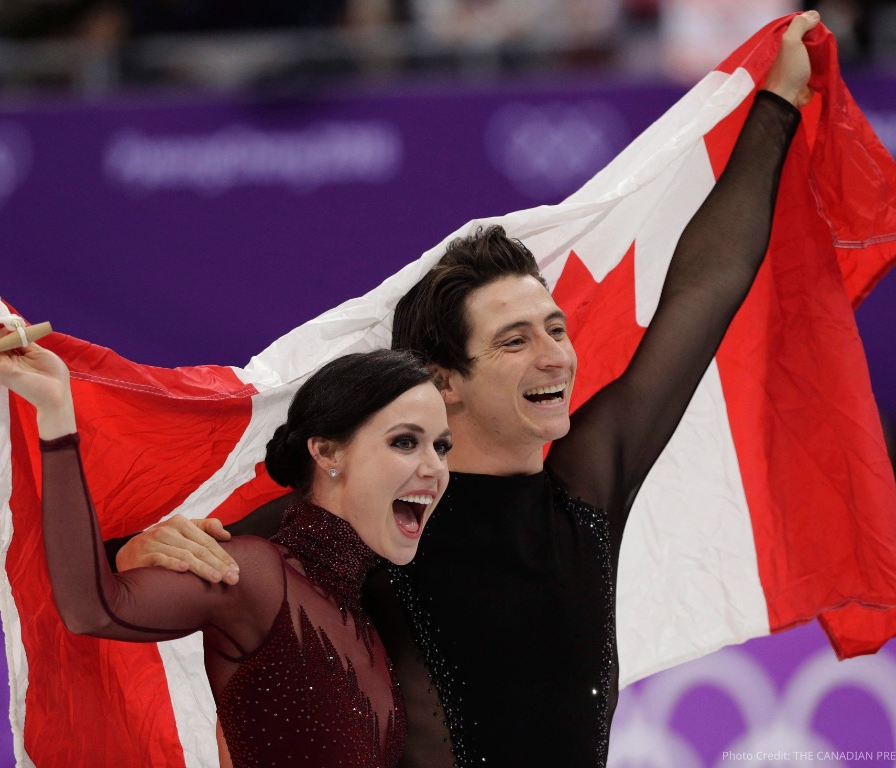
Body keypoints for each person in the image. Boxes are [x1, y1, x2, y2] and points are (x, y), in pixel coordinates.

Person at [110, 11, 821, 766]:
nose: (554, 357)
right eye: (514, 341)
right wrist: (139, 551)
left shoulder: (588, 482)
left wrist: (775, 105)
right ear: (442, 382)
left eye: (555, 328)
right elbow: (147, 577)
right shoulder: (367, 505)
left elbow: (703, 293)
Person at [0, 330, 453, 768]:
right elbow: (93, 608)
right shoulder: (256, 573)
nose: (435, 468)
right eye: (406, 442)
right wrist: (56, 414)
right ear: (327, 453)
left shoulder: (360, 618)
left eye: (442, 447)